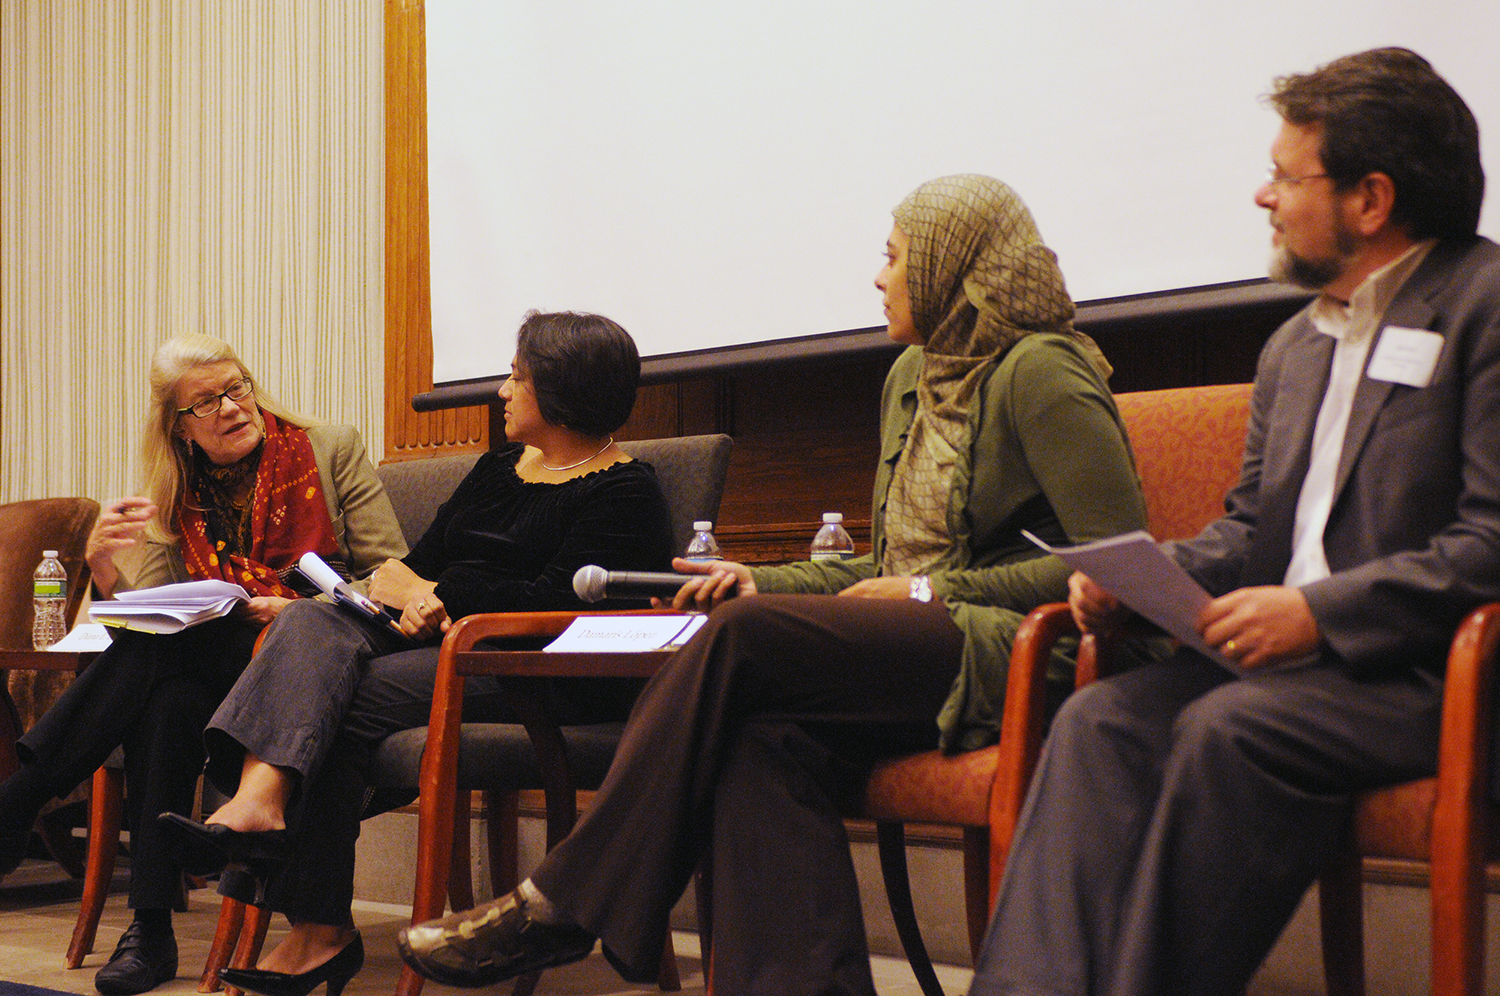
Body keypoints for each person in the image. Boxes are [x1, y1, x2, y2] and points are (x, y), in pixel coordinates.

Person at [396, 175, 1150, 996]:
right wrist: (758, 575)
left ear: (950, 265)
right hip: (913, 644)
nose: (879, 277)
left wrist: (932, 596)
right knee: (757, 739)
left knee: (741, 644)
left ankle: (563, 899)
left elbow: (1108, 560)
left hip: (1017, 647)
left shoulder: (1045, 371)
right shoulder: (911, 378)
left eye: (894, 258)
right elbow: (887, 565)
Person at [967, 48, 1500, 996]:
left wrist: (1319, 614)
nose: (1264, 197)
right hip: (1278, 674)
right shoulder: (1293, 345)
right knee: (1096, 719)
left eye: (1285, 176)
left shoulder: (1483, 309)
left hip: (1419, 670)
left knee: (1228, 728)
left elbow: (1490, 543)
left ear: (1370, 200)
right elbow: (1250, 530)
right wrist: (1139, 577)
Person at [159, 310, 674, 996]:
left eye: (517, 377)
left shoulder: (625, 489)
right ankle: (262, 804)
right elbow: (414, 566)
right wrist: (414, 590)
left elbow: (562, 604)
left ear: (560, 391)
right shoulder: (498, 469)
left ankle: (310, 918)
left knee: (332, 702)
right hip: (441, 640)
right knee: (307, 624)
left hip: (530, 671)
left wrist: (443, 594)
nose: (502, 390)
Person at [0, 333, 406, 995]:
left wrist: (297, 608)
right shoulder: (177, 492)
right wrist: (103, 566)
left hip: (322, 654)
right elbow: (152, 617)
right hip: (224, 665)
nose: (231, 407)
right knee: (166, 693)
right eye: (207, 402)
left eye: (235, 387)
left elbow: (390, 572)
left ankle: (24, 801)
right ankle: (150, 928)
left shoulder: (329, 448)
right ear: (178, 427)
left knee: (166, 681)